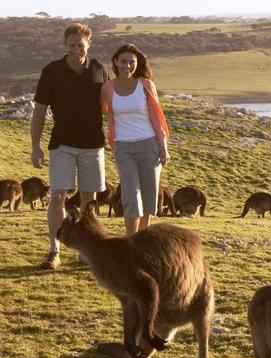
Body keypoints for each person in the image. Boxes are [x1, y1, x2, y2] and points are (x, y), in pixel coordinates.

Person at [31, 23, 109, 270]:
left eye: (81, 45)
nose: (77, 50)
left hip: (93, 144)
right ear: (66, 45)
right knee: (57, 197)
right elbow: (40, 113)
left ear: (90, 44)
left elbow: (111, 107)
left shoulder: (99, 69)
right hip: (61, 144)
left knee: (89, 199)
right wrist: (35, 146)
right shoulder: (51, 71)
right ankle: (54, 251)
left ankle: (87, 251)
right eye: (72, 45)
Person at [100, 43, 170, 236]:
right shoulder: (107, 87)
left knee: (149, 196)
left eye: (132, 62)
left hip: (149, 145)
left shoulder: (146, 85)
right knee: (131, 196)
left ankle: (141, 239)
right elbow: (105, 112)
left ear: (137, 64)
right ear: (115, 62)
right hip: (123, 148)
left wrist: (163, 147)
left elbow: (157, 118)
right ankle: (131, 241)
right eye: (123, 61)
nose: (127, 66)